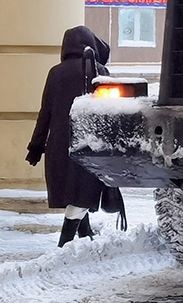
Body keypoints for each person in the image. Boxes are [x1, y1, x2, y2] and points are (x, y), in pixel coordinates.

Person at [27, 26, 118, 247]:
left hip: (58, 144)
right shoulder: (99, 72)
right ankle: (64, 243)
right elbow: (111, 112)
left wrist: (35, 147)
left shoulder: (55, 73)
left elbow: (45, 112)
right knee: (82, 190)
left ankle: (85, 235)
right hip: (89, 144)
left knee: (75, 190)